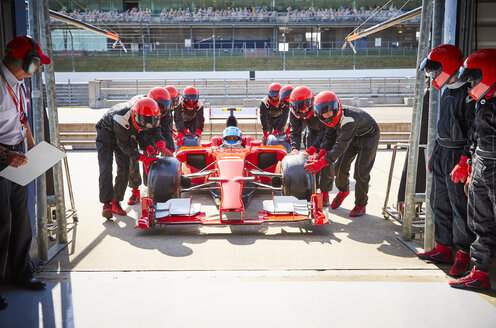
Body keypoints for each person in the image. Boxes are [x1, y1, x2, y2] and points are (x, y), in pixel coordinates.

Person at [416, 44, 476, 278]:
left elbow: (472, 131)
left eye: (435, 70)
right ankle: (443, 248)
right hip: (443, 151)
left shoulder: (468, 94)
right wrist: (435, 152)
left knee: (459, 206)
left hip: (458, 154)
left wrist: (465, 160)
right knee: (438, 201)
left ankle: (463, 253)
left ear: (449, 66)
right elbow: (443, 126)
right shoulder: (447, 90)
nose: (432, 75)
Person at [0, 35, 50, 310]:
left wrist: (32, 148)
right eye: (37, 63)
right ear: (26, 62)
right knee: (1, 222)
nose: (39, 68)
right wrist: (5, 155)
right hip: (3, 155)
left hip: (17, 152)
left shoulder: (19, 84)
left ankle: (22, 273)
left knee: (22, 218)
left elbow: (22, 117)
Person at [449, 48, 496, 290]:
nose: (471, 85)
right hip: (481, 164)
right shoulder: (482, 101)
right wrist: (466, 162)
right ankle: (479, 273)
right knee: (479, 222)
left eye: (475, 79)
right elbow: (473, 134)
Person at [306, 91, 379, 217]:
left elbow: (340, 147)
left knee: (361, 173)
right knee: (339, 168)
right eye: (324, 114)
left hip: (368, 138)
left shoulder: (349, 119)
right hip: (352, 137)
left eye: (329, 112)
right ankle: (344, 190)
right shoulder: (328, 120)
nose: (327, 116)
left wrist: (321, 163)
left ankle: (361, 205)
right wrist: (320, 154)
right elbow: (329, 138)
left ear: (336, 107)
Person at [95, 97, 163, 219]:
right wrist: (143, 158)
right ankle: (106, 204)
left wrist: (148, 147)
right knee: (106, 167)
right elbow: (123, 146)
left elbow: (141, 134)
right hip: (106, 134)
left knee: (124, 168)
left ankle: (116, 202)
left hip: (124, 135)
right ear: (136, 116)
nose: (147, 124)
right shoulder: (121, 118)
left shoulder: (141, 117)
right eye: (145, 121)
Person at [288, 86, 336, 206]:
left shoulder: (319, 105)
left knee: (325, 162)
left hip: (326, 131)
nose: (303, 112)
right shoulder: (294, 111)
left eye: (305, 108)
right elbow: (295, 131)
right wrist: (295, 148)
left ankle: (325, 193)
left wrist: (314, 148)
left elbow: (324, 131)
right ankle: (312, 189)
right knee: (310, 162)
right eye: (300, 109)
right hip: (311, 132)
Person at [127, 87, 174, 205]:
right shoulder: (142, 107)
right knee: (133, 156)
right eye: (160, 106)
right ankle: (135, 190)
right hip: (135, 126)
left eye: (165, 106)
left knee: (153, 153)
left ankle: (151, 185)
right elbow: (142, 134)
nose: (162, 110)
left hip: (153, 125)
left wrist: (168, 149)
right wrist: (147, 148)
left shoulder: (166, 112)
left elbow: (167, 131)